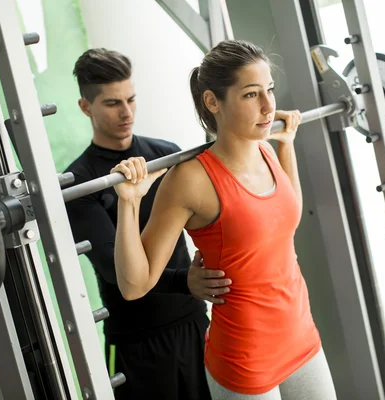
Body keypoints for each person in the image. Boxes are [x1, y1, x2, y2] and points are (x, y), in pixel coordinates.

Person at [110, 40, 338, 399]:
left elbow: (287, 215)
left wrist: (286, 145)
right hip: (245, 359)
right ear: (213, 102)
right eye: (251, 95)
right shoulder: (190, 179)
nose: (268, 106)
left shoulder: (264, 149)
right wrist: (129, 204)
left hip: (302, 339)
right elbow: (134, 285)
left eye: (269, 90)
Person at [64, 48, 232, 400]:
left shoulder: (166, 153)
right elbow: (115, 269)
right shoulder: (80, 182)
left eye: (131, 99)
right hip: (136, 343)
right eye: (112, 103)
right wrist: (185, 281)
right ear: (85, 107)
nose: (127, 113)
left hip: (194, 323)